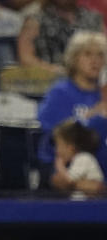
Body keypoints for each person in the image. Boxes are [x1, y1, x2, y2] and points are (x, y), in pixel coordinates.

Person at [37, 30, 107, 173]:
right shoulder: (60, 93)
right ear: (74, 59)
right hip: (67, 166)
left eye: (100, 55)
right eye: (87, 54)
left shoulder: (104, 94)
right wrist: (91, 116)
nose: (95, 61)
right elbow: (53, 135)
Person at [18, 0, 104, 73]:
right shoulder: (35, 20)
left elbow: (103, 50)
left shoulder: (93, 18)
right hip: (48, 80)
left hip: (90, 78)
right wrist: (55, 71)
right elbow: (26, 58)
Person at [50, 119, 106, 196]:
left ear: (70, 147)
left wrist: (60, 167)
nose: (56, 151)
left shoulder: (83, 158)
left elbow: (69, 181)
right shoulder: (73, 162)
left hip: (92, 205)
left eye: (58, 145)